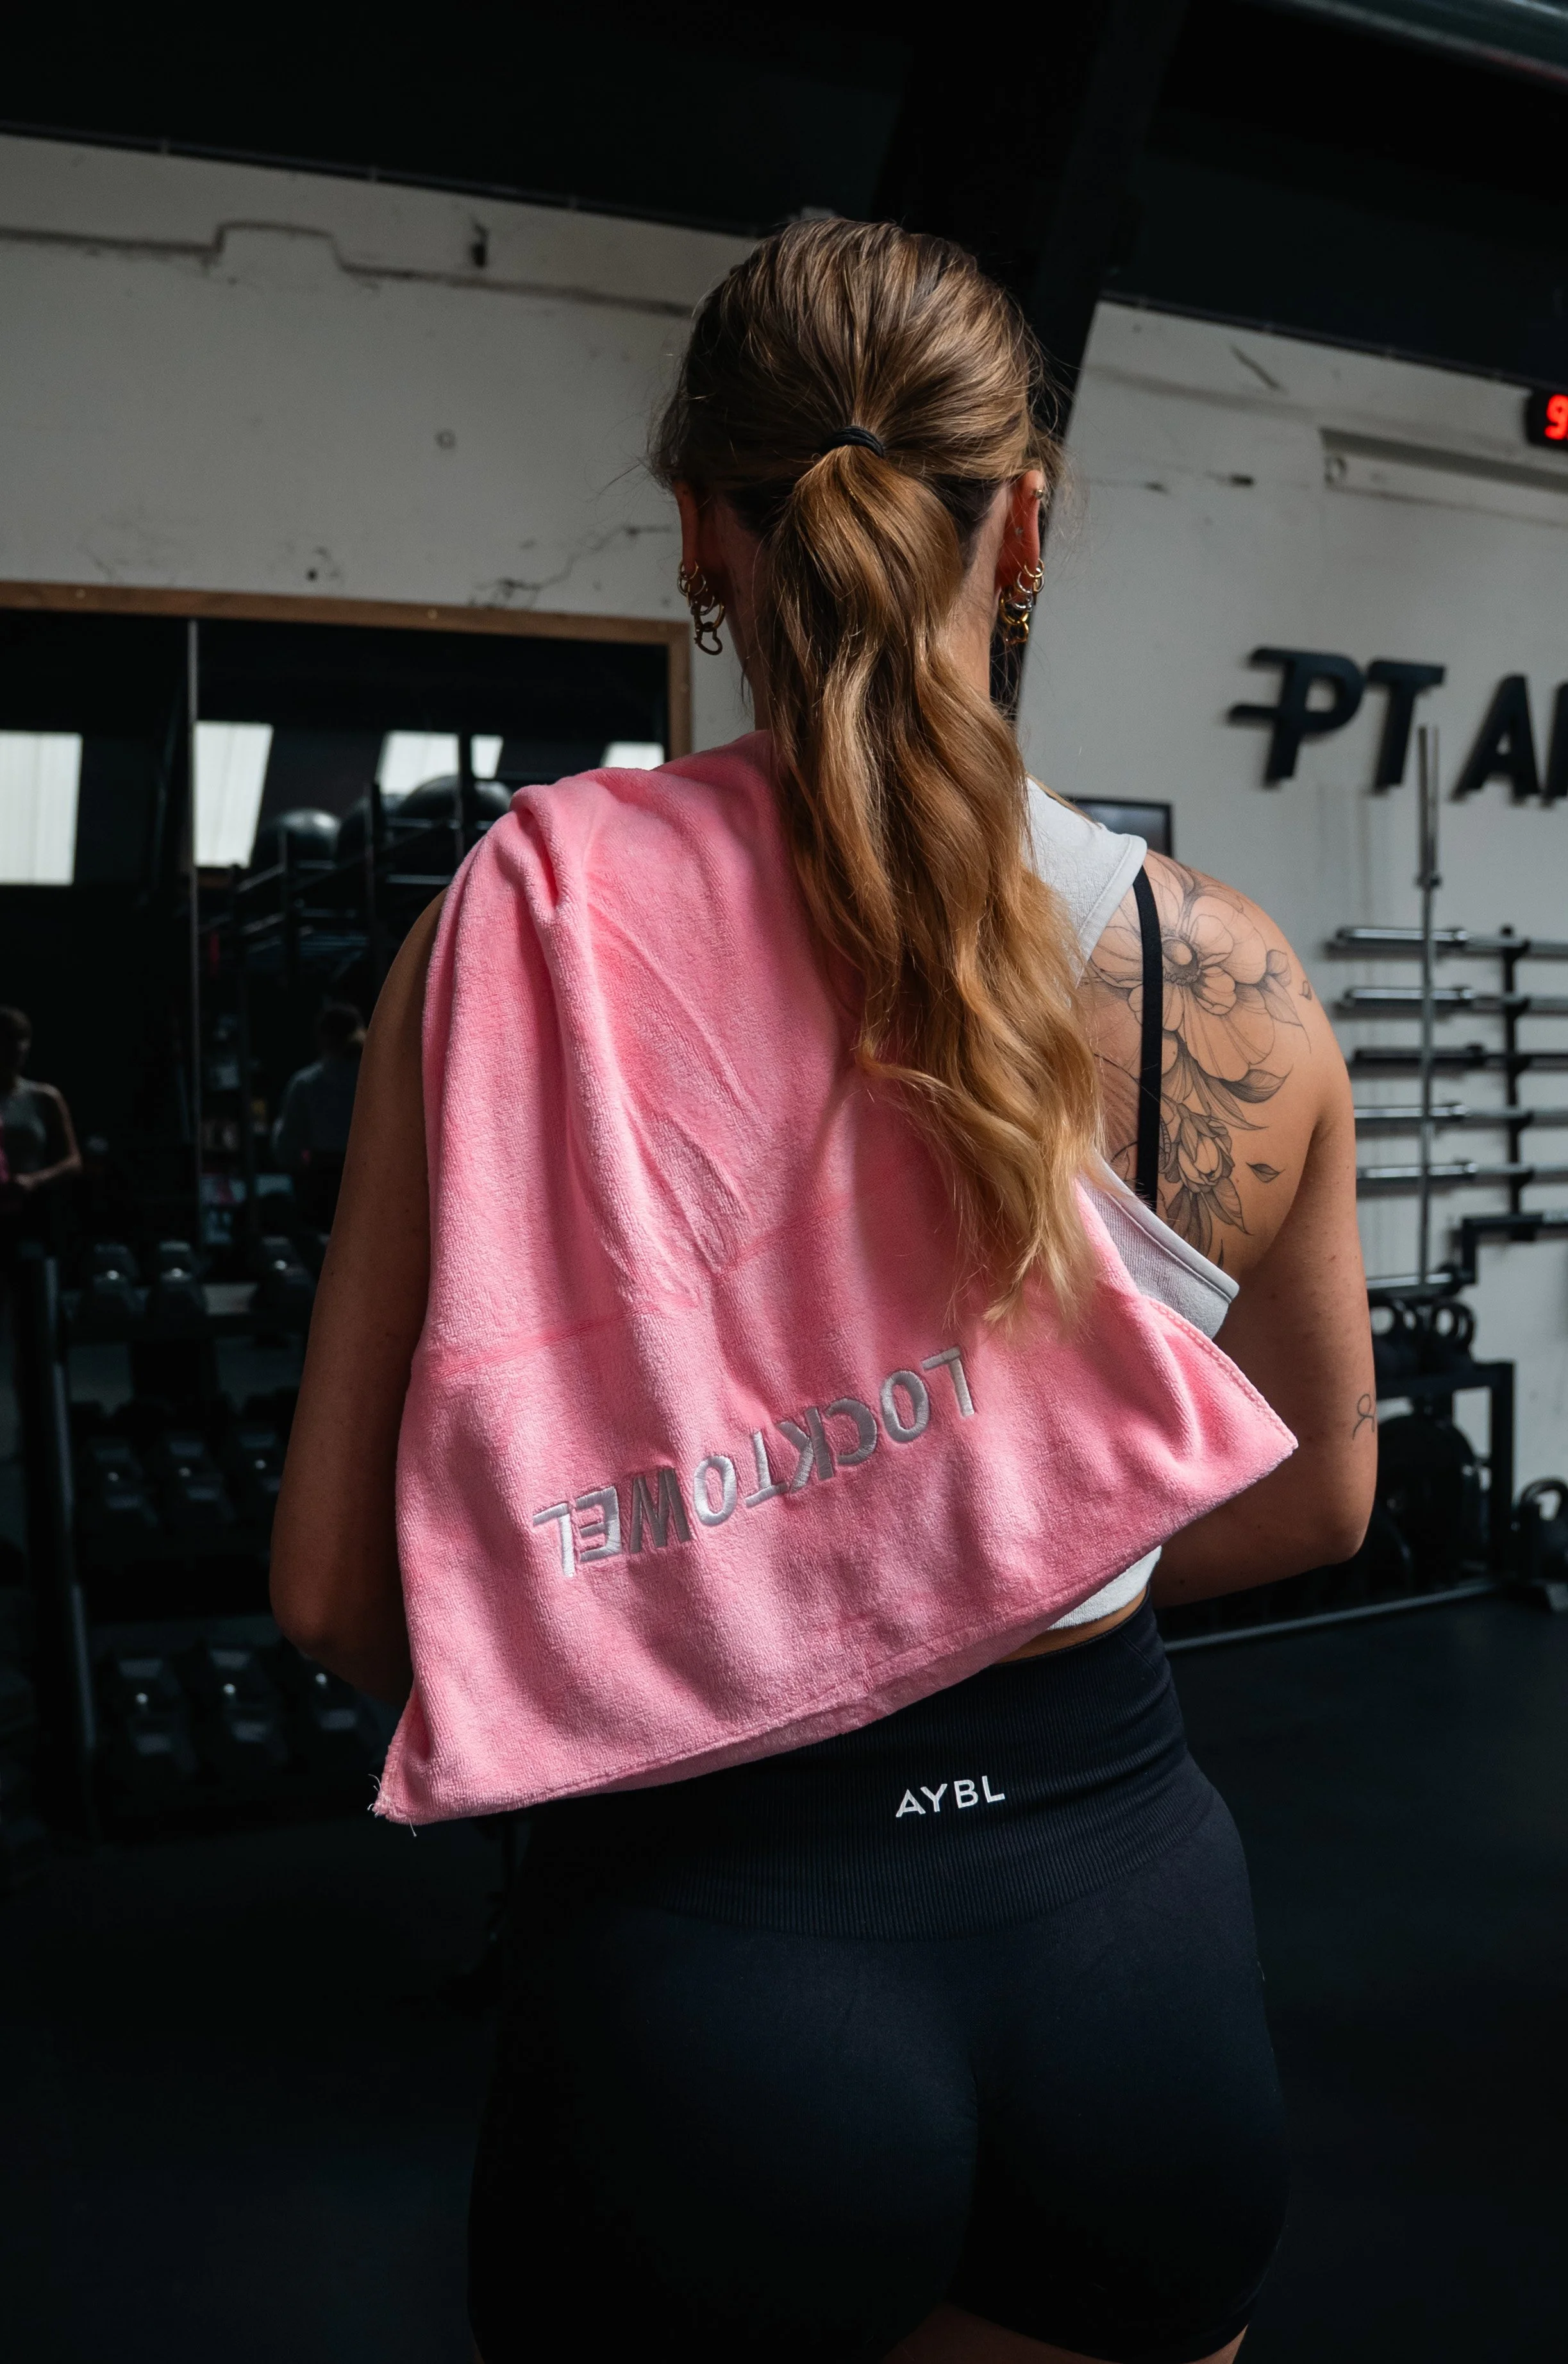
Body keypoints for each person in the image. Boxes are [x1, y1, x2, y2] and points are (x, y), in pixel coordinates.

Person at [271, 221, 1373, 2364]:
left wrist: (740, 1607)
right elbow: (1315, 1500)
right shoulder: (1220, 978)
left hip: (711, 1979)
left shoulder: (518, 923)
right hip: (1129, 1946)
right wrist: (974, 1559)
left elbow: (334, 1592)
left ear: (700, 527)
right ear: (1020, 523)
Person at [270, 1002, 364, 1230]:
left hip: (323, 1182)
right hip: (367, 1176)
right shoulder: (375, 1082)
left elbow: (287, 1146)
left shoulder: (307, 1084)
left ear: (323, 1038)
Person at [0, 1005, 82, 1252]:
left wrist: (34, 1180)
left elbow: (73, 1161)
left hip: (34, 1211)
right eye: (6, 1040)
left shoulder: (43, 1097)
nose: (16, 1048)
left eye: (21, 1039)